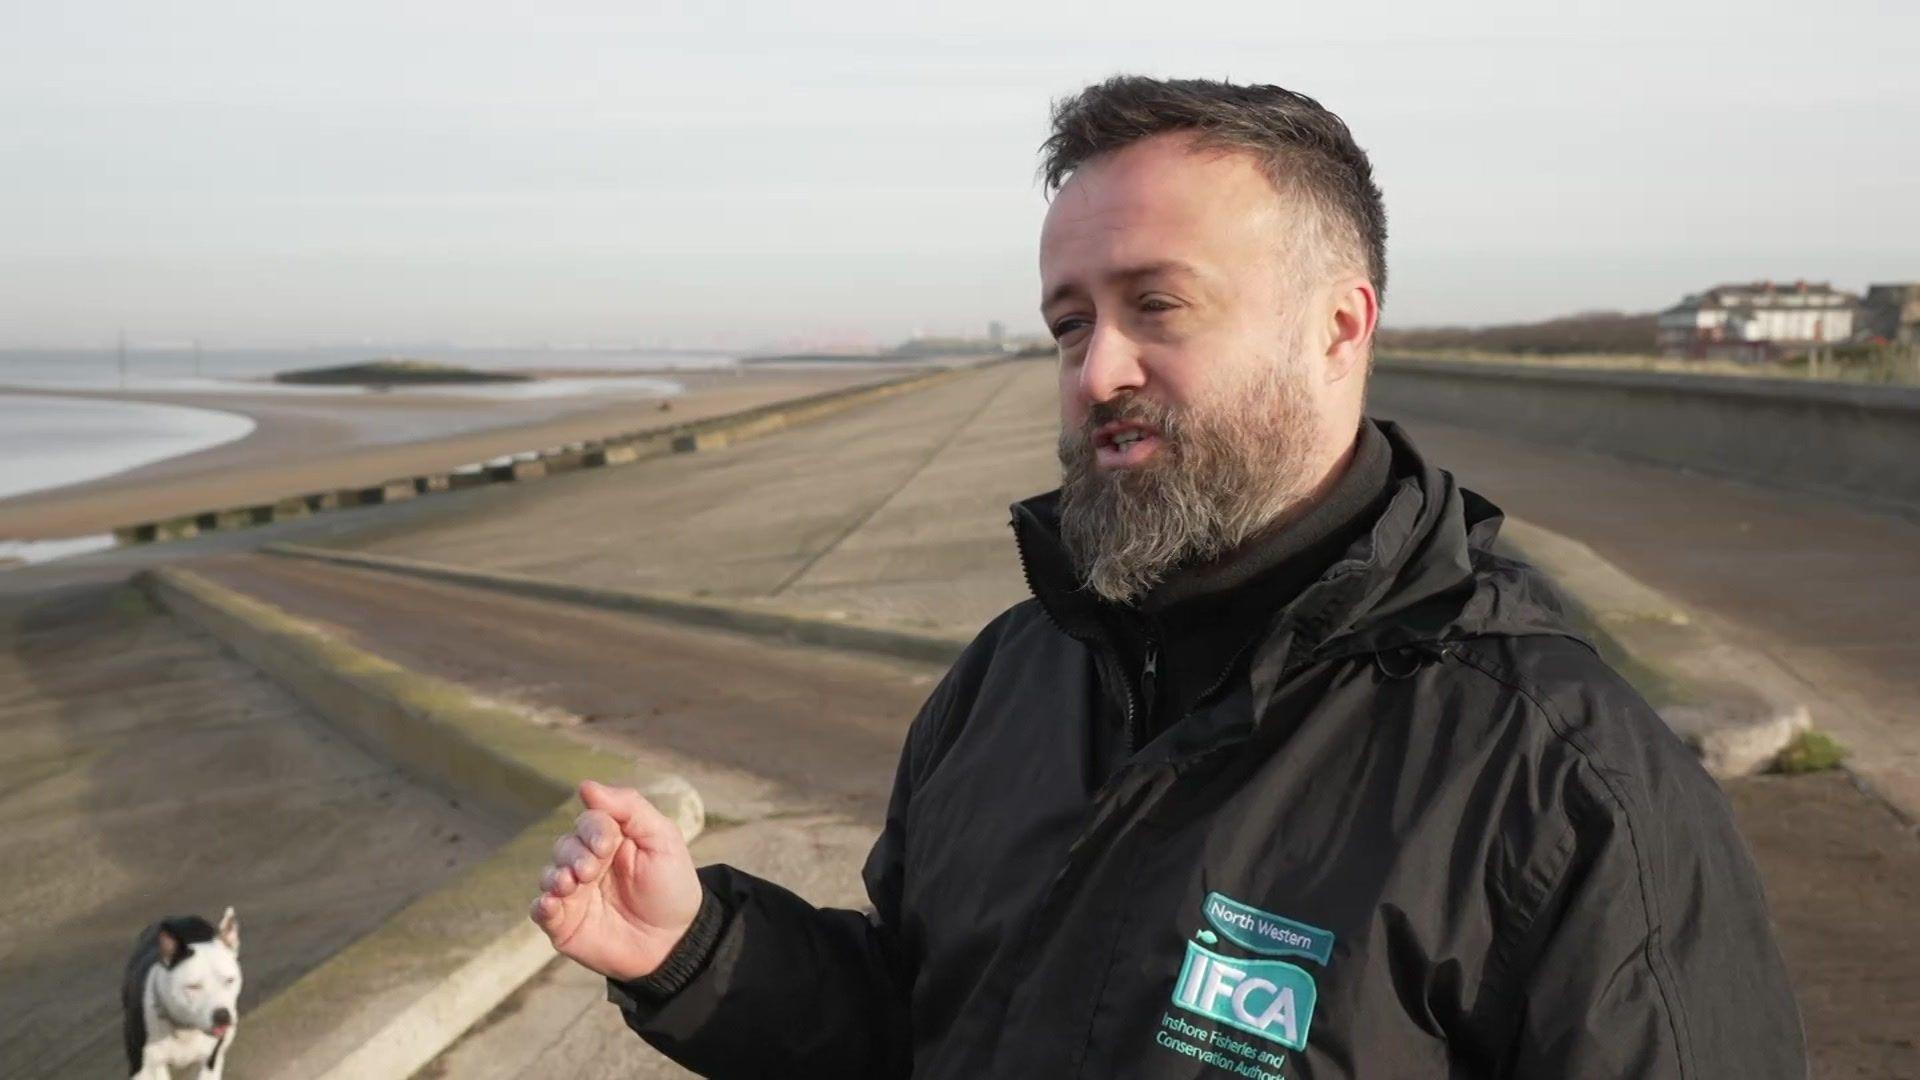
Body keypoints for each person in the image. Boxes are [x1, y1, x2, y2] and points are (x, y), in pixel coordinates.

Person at [531, 76, 1807, 1078]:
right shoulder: (1012, 677)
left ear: (1340, 327)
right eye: (1072, 321)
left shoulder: (1557, 778)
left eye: (1159, 305)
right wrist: (693, 949)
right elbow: (928, 1027)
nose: (1098, 371)